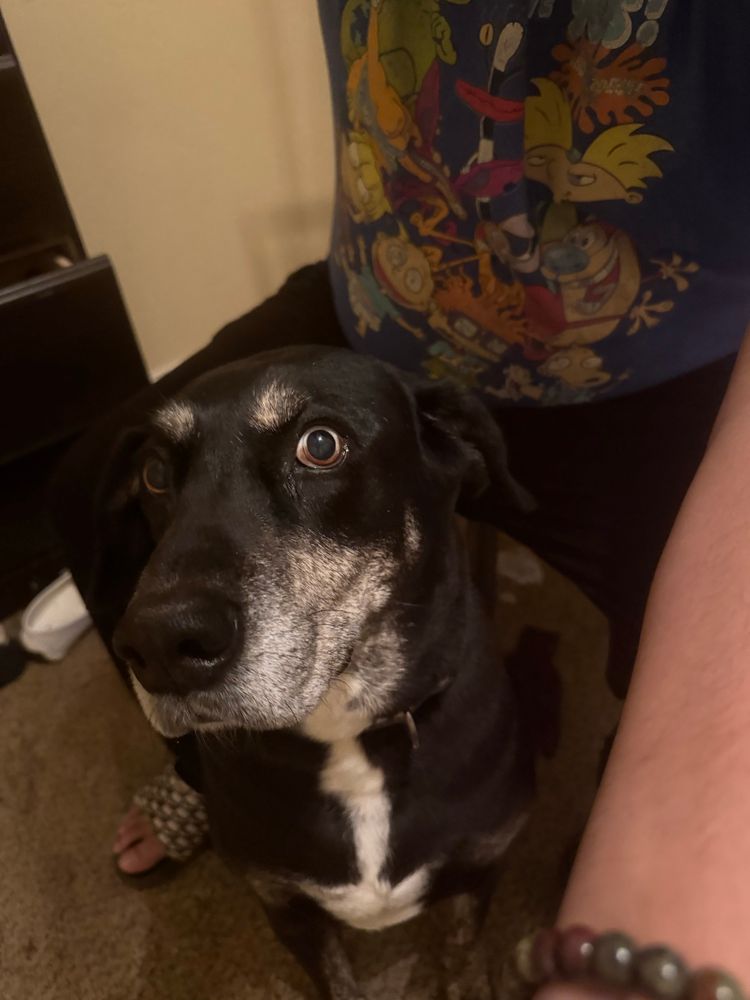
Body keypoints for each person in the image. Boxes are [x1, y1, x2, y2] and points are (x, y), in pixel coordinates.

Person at [51, 0, 750, 988]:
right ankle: (201, 763)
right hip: (378, 318)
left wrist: (664, 869)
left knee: (671, 652)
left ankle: (608, 813)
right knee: (87, 480)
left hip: (643, 375)